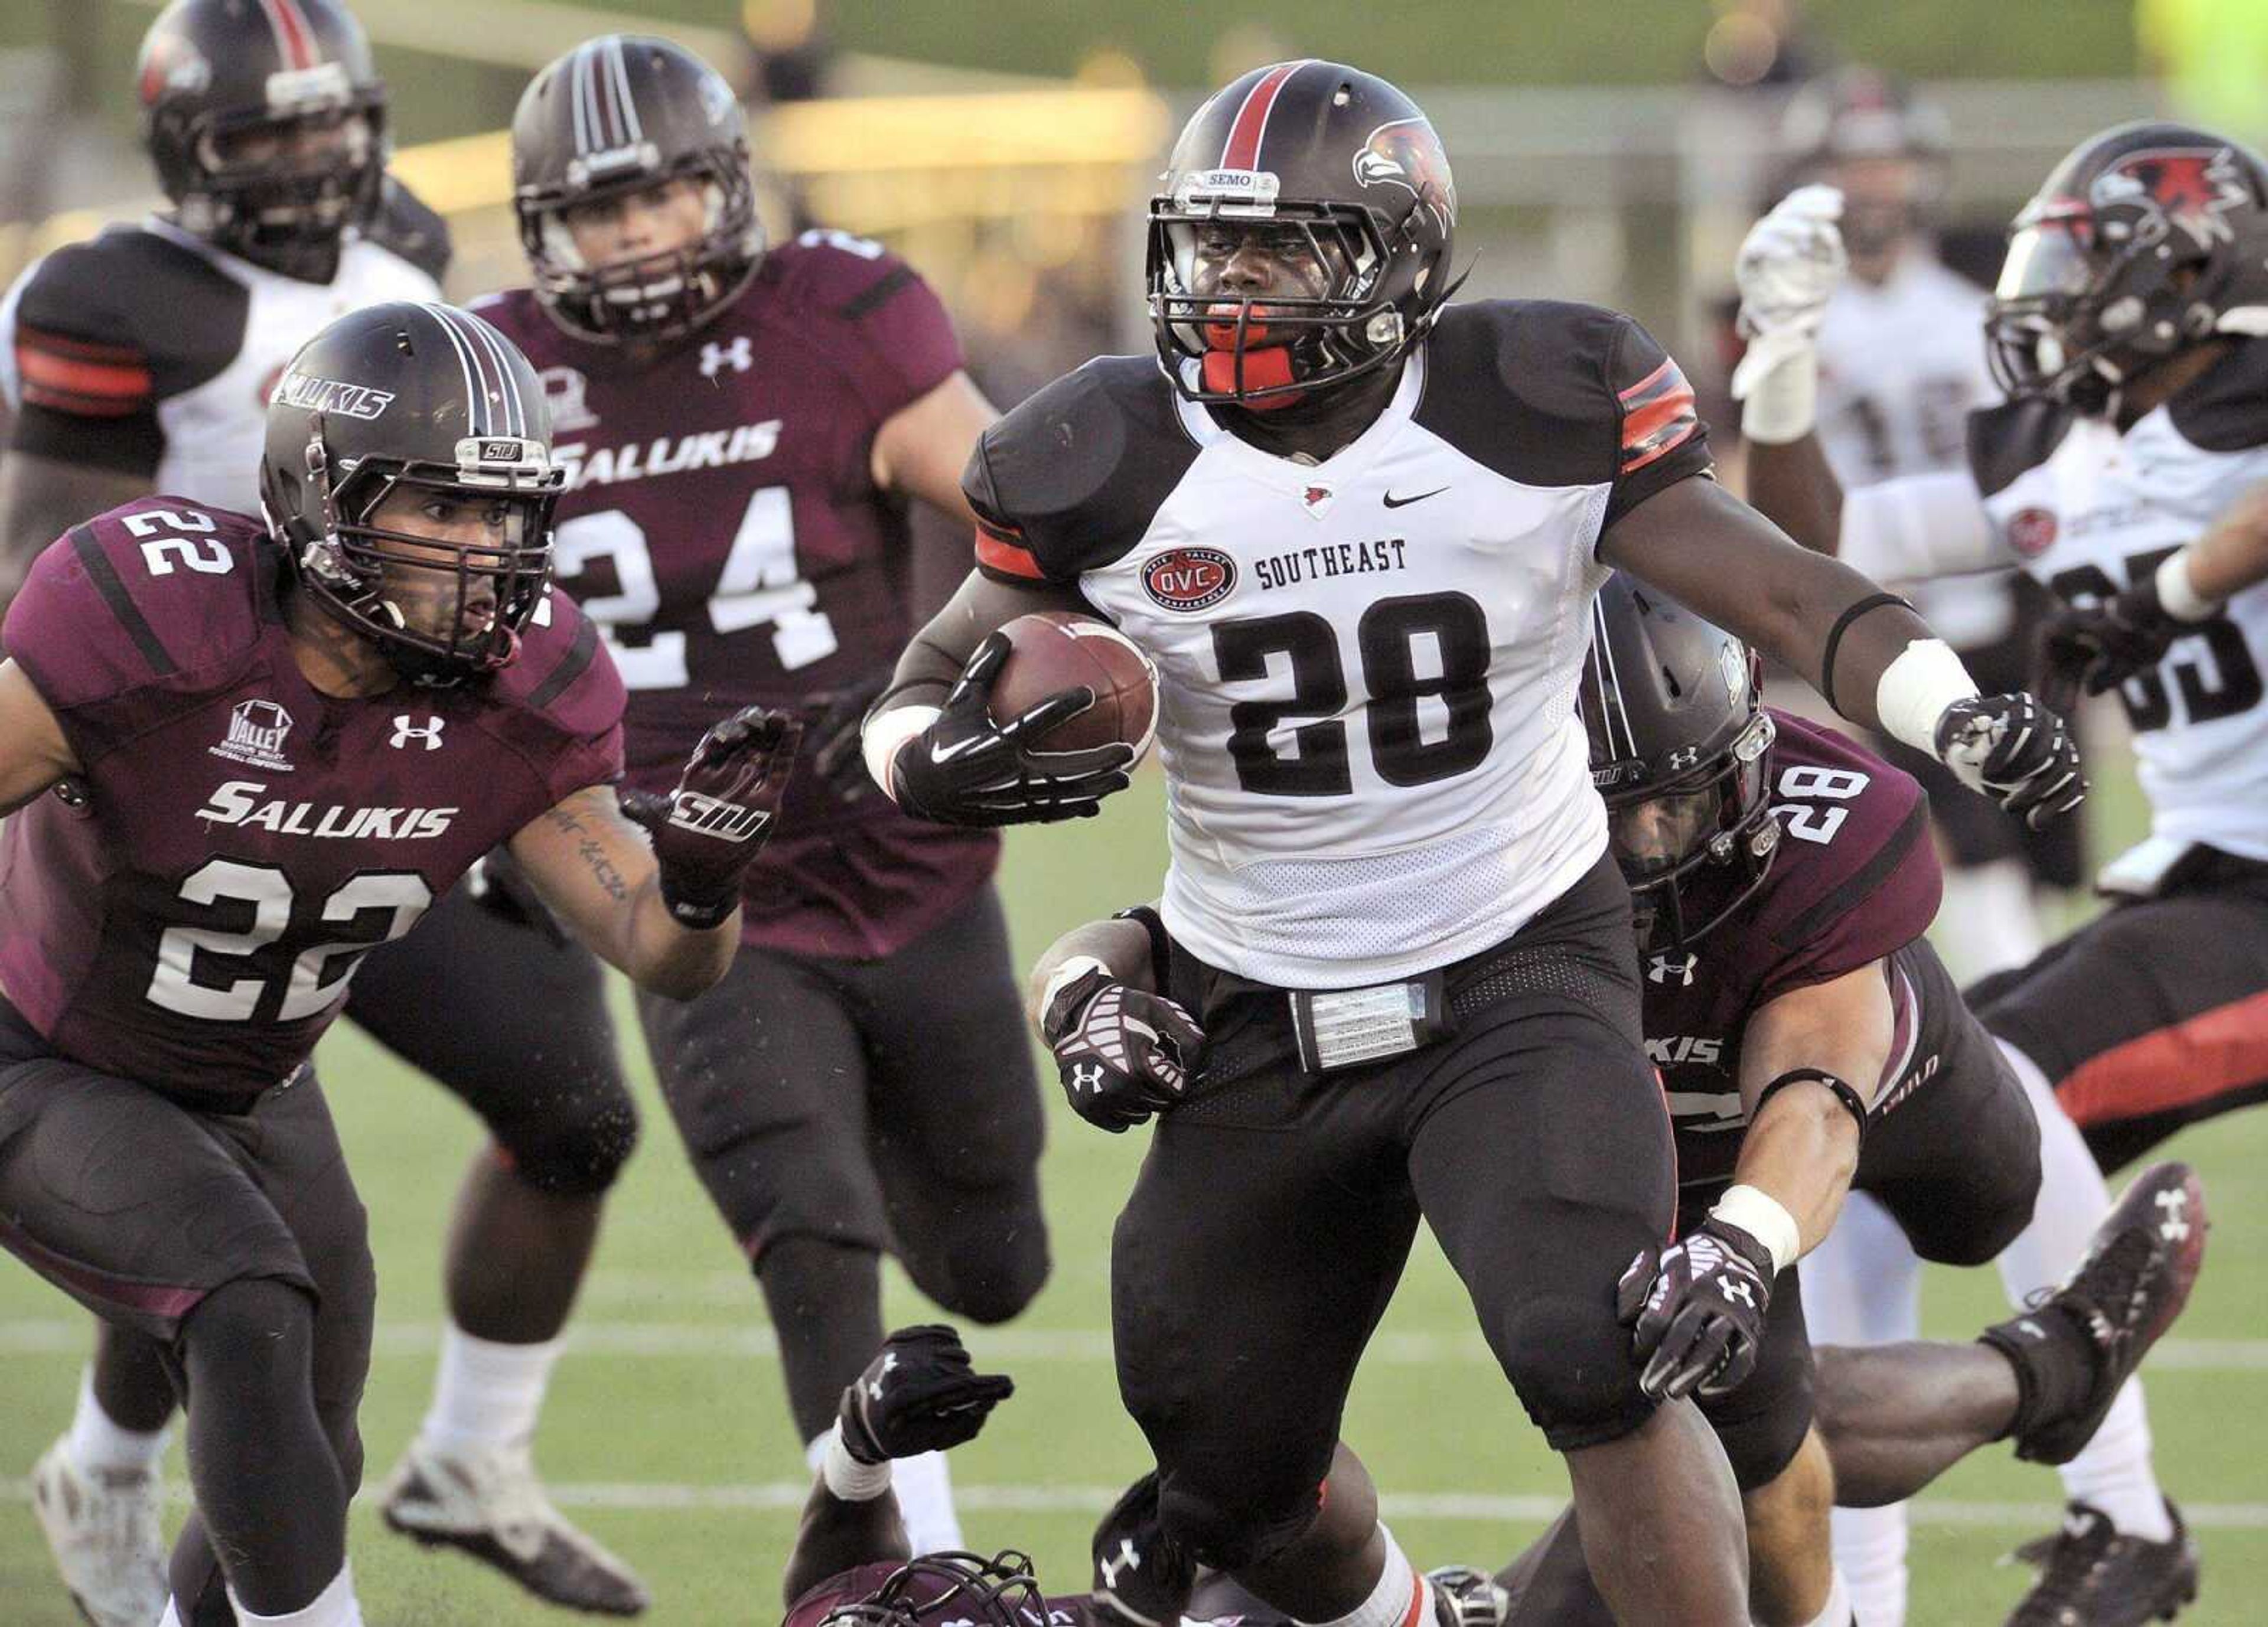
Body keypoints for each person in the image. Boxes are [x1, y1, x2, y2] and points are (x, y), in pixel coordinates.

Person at [860, 59, 2083, 1627]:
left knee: (1606, 1354)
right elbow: (926, 680)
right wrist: (928, 762)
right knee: (1227, 1476)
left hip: (1519, 967)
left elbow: (1774, 585)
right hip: (1258, 989)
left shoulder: (1534, 400)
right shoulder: (1102, 452)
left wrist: (1945, 701)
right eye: (1207, 244)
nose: (1229, 284)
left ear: (1395, 256)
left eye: (1278, 246)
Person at [1027, 578, 2207, 1627]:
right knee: (1728, 1414)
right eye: (1607, 808)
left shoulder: (1834, 822)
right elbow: (1159, 937)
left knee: (1985, 1209)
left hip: (1849, 1076)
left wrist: (1748, 1243)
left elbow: (1815, 1092)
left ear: (1747, 756)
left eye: (1678, 801)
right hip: (1631, 1110)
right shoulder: (1446, 843)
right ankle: (2053, 1365)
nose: (1647, 845)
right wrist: (1080, 994)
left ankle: (2055, 1363)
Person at [0, 298, 799, 1626]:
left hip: (255, 1082)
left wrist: (706, 880)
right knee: (246, 1304)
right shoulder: (154, 618)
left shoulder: (522, 692)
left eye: (507, 514)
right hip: (40, 1047)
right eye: (447, 510)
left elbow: (661, 952)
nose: (489, 553)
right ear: (324, 494)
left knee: (313, 1431)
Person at [0, 2, 649, 1614]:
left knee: (558, 1111)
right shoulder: (113, 308)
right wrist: (179, 708)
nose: (308, 161)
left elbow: (662, 925)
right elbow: (48, 551)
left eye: (325, 123)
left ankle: (439, 1461)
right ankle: (113, 1450)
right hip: (180, 752)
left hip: (378, 762)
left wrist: (668, 868)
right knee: (233, 1273)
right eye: (262, 131)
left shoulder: (415, 264)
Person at [464, 33, 1048, 1559]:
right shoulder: (492, 370)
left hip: (902, 841)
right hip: (682, 869)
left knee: (994, 1261)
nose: (643, 231)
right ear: (544, 229)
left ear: (727, 188)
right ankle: (912, 1571)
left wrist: (981, 678)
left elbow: (1013, 502)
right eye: (603, 207)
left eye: (665, 194)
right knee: (811, 1220)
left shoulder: (842, 310)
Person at [1732, 118, 2268, 1621]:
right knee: (1887, 1110)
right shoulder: (2054, 449)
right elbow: (1807, 558)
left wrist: (2172, 586)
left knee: (2000, 1069)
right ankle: (1860, 1600)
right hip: (2203, 882)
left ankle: (2126, 1515)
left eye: (2086, 261)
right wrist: (1780, 355)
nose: (2047, 293)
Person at [1769, 66, 2081, 983]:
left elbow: (2037, 457)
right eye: (1852, 165)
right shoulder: (1794, 316)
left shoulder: (1969, 309)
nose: (1873, 186)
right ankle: (2024, 1024)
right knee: (1968, 823)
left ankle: (2046, 1005)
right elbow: (1756, 470)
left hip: (1995, 594)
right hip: (1876, 599)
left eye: (1889, 165)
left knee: (2050, 832)